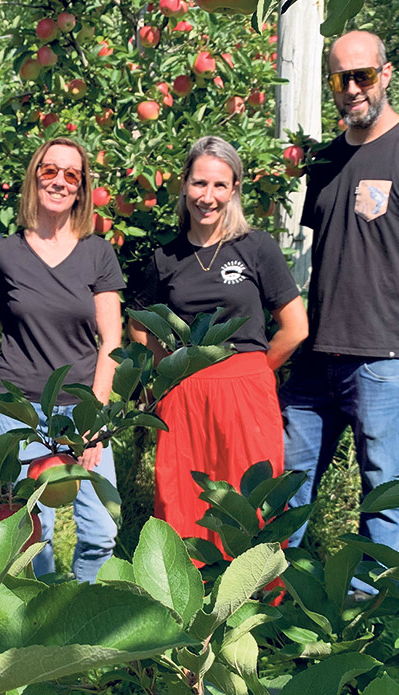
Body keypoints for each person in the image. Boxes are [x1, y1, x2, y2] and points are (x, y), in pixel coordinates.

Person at [282, 30, 399, 565]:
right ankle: (269, 603)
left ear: (386, 75)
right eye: (340, 78)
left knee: (382, 497)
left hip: (385, 359)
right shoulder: (324, 162)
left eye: (362, 75)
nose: (351, 88)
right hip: (317, 356)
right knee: (284, 488)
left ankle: (372, 620)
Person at [128, 136, 308, 558]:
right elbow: (137, 327)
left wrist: (258, 370)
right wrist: (167, 371)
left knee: (251, 500)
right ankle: (187, 605)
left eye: (219, 186)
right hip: (184, 394)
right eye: (199, 183)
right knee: (182, 498)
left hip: (246, 387)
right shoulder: (165, 257)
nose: (207, 197)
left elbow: (295, 327)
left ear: (234, 190)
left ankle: (258, 607)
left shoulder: (256, 246)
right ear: (184, 186)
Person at [0, 137, 125, 582]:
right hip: (21, 409)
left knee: (103, 529)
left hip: (81, 407)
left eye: (72, 174)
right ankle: (44, 612)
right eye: (50, 170)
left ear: (83, 187)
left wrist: (96, 418)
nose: (60, 181)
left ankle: (83, 601)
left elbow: (112, 339)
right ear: (34, 176)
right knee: (34, 532)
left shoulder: (97, 252)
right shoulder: (3, 252)